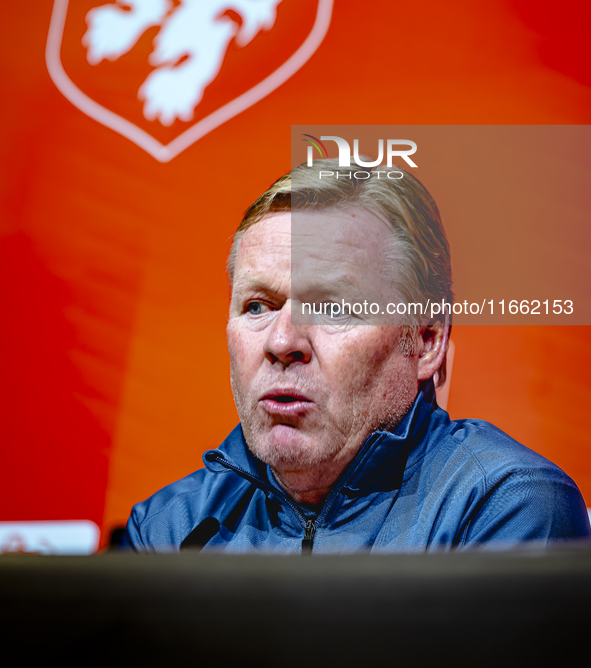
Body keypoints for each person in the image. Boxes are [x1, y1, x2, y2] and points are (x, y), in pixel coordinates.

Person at [120, 160, 590, 552]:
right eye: (257, 306)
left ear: (425, 340)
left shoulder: (506, 505)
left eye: (331, 307)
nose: (282, 342)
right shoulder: (168, 529)